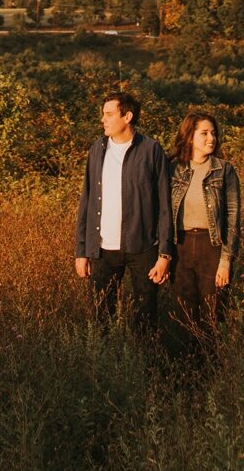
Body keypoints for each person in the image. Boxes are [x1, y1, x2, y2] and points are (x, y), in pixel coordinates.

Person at [73, 89, 173, 332]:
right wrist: (82, 250)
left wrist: (165, 255)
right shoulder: (97, 149)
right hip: (102, 249)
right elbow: (86, 201)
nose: (103, 120)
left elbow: (164, 205)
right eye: (103, 115)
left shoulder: (151, 150)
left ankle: (146, 366)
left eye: (109, 114)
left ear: (127, 117)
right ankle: (107, 367)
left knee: (146, 317)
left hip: (142, 246)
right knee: (100, 316)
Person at [168, 110, 241, 341]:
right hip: (180, 246)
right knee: (184, 315)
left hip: (212, 246)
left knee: (214, 315)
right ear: (189, 137)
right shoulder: (173, 169)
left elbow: (233, 219)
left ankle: (213, 371)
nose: (212, 138)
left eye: (214, 133)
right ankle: (187, 371)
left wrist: (226, 261)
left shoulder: (224, 170)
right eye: (204, 133)